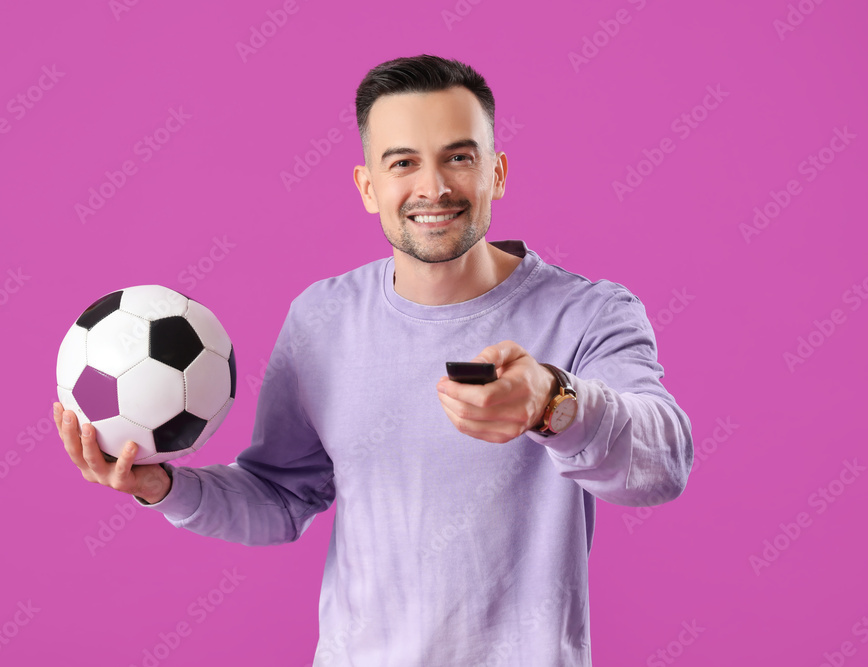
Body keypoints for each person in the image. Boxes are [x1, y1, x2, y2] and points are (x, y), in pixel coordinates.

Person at [54, 54, 693, 666]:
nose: (433, 186)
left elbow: (663, 465)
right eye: (403, 162)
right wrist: (160, 487)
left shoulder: (590, 314)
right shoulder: (321, 319)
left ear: (496, 171)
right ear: (368, 186)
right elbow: (278, 497)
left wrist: (554, 402)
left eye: (459, 157)